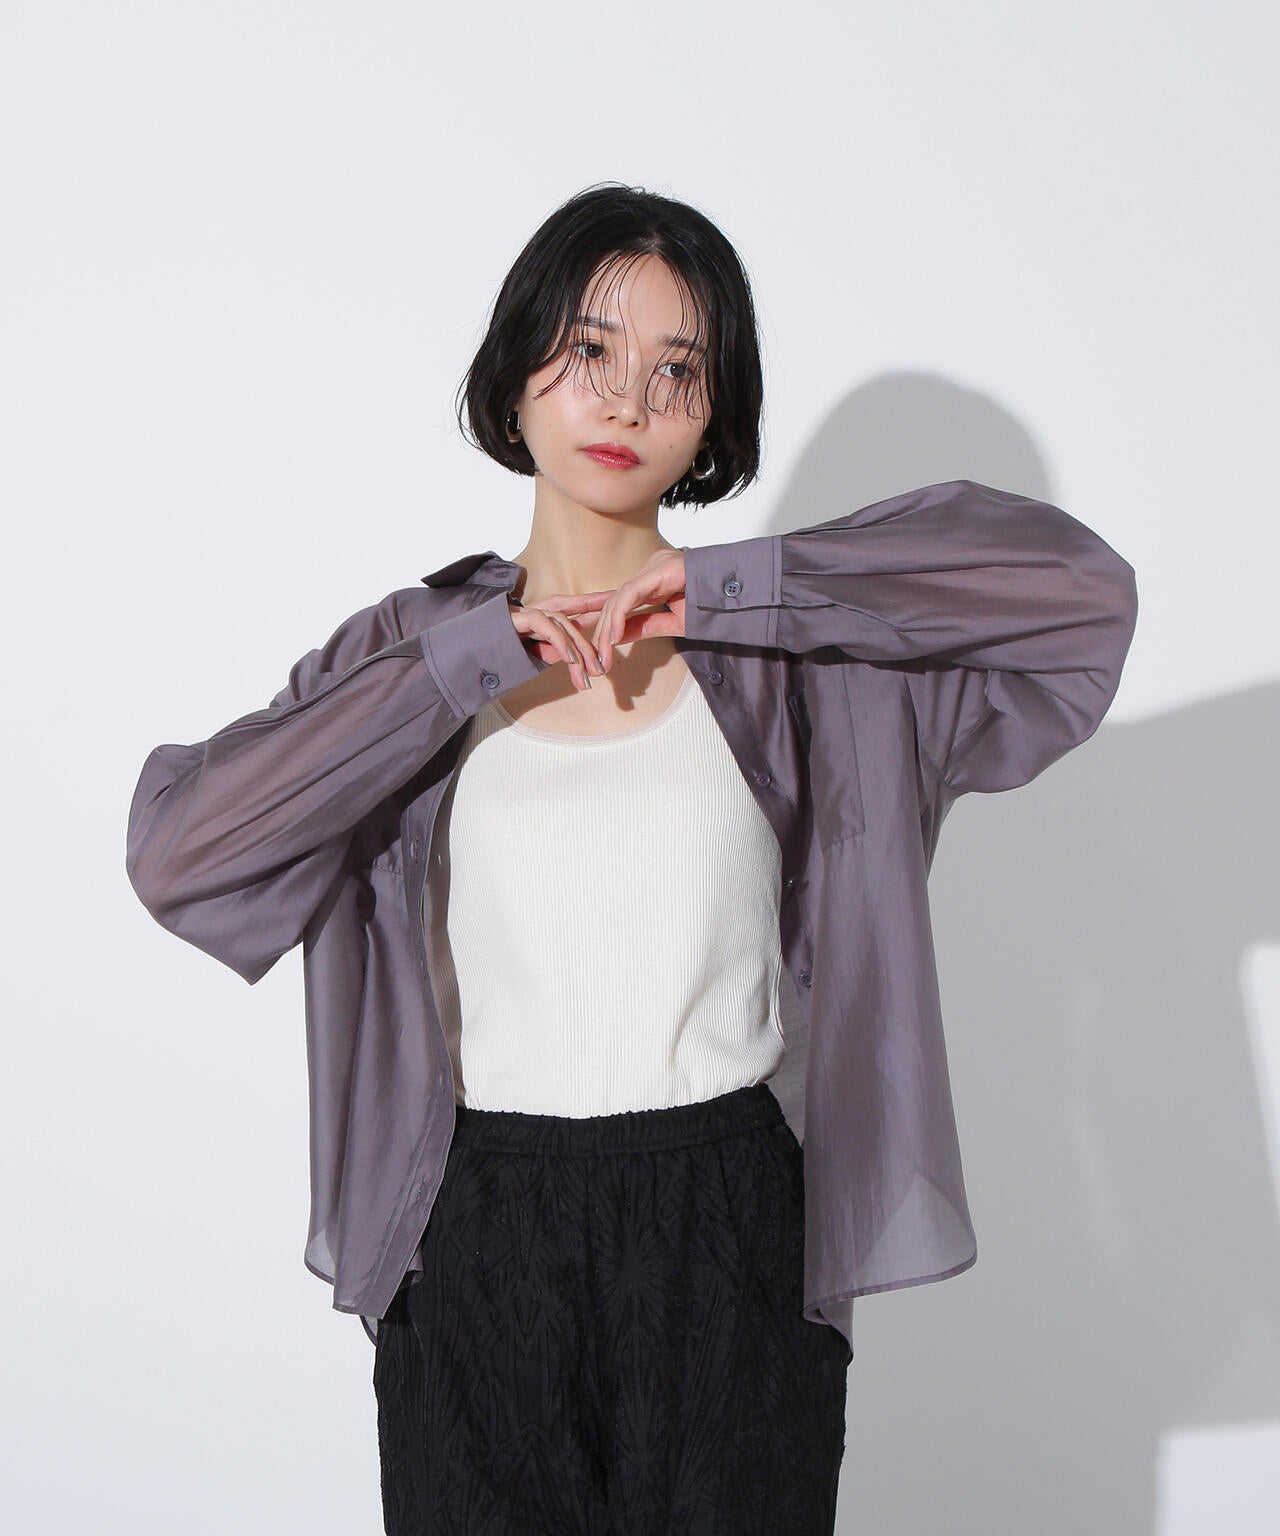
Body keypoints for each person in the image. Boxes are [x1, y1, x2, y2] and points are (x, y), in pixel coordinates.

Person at [125, 182, 1139, 1535]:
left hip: (730, 1220)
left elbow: (1078, 599)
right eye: (591, 348)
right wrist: (471, 659)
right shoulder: (406, 656)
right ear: (518, 366)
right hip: (473, 1227)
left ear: (715, 416)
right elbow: (184, 853)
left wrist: (726, 590)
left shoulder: (790, 661)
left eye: (679, 369)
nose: (628, 400)